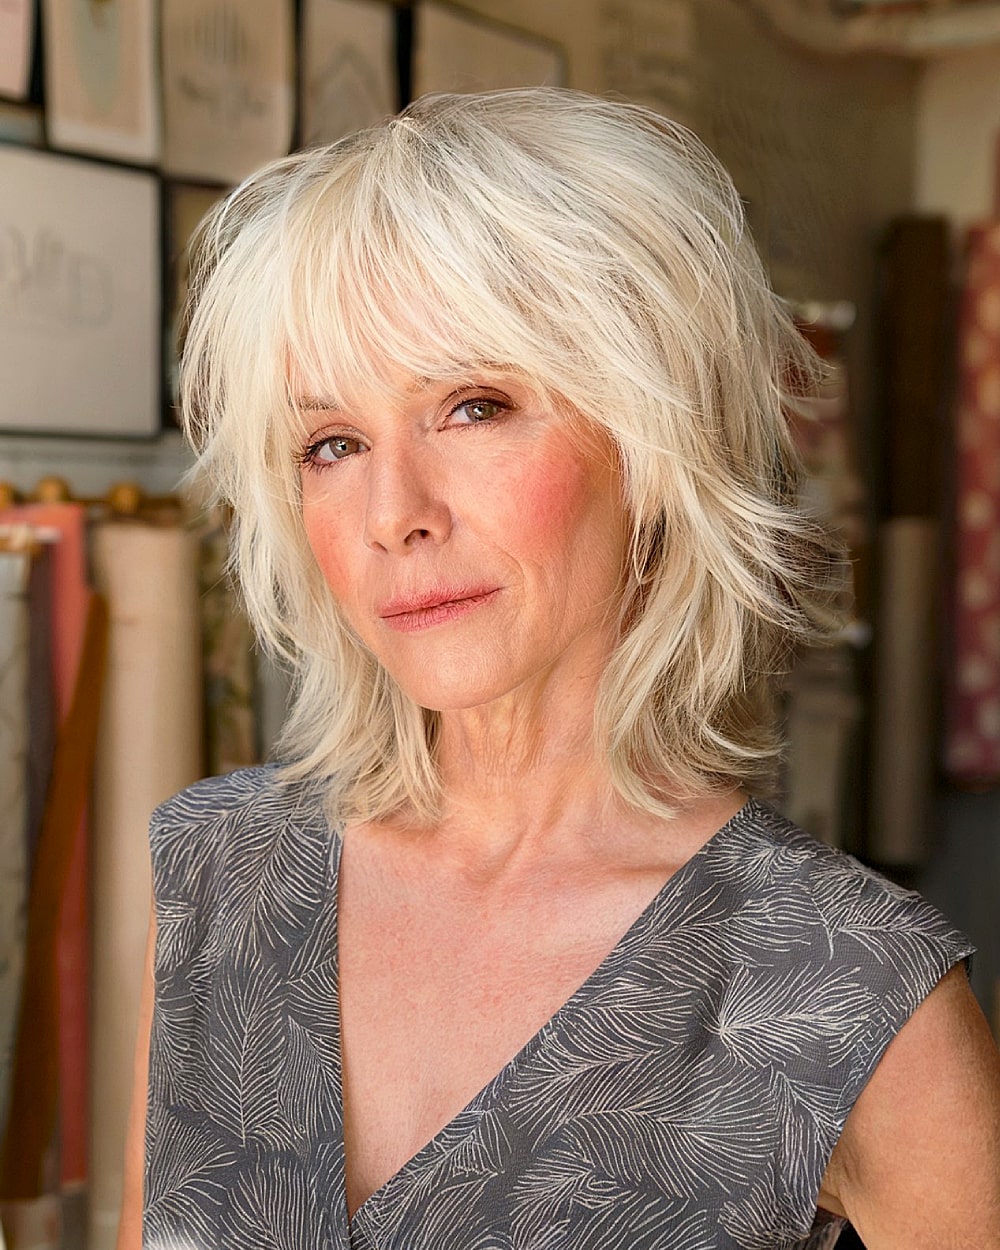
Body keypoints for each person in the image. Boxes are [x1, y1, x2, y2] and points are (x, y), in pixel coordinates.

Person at [118, 88, 1000, 1250]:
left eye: (473, 406)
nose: (392, 512)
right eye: (332, 442)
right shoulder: (220, 874)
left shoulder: (847, 986)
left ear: (651, 439)